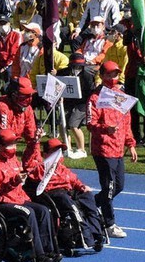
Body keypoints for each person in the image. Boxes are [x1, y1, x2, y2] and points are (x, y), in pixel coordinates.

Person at [0, 129, 58, 262]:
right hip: (0, 203)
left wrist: (34, 142)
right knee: (29, 213)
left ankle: (48, 250)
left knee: (44, 210)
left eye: (15, 144)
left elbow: (28, 161)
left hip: (18, 198)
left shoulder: (12, 160)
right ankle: (38, 256)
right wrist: (14, 181)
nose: (14, 148)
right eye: (10, 145)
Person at [87, 61, 137, 239]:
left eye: (115, 74)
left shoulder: (121, 96)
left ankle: (88, 205)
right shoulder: (95, 97)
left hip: (118, 149)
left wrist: (130, 144)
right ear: (102, 75)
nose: (112, 78)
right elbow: (90, 123)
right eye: (108, 74)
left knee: (119, 186)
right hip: (102, 149)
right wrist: (105, 128)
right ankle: (109, 223)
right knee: (108, 187)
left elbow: (126, 123)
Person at [28, 138, 104, 250]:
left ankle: (96, 232)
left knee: (88, 197)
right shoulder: (41, 168)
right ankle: (86, 235)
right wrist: (35, 142)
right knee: (69, 203)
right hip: (53, 194)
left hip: (67, 192)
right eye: (54, 151)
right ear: (45, 154)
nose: (58, 154)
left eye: (60, 151)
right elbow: (30, 163)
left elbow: (73, 179)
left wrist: (81, 186)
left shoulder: (62, 168)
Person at [0, 76, 43, 168]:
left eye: (30, 95)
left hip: (7, 148)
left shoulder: (27, 109)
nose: (29, 98)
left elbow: (31, 138)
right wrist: (15, 167)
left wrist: (37, 162)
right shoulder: (1, 108)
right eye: (25, 95)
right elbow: (4, 142)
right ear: (14, 95)